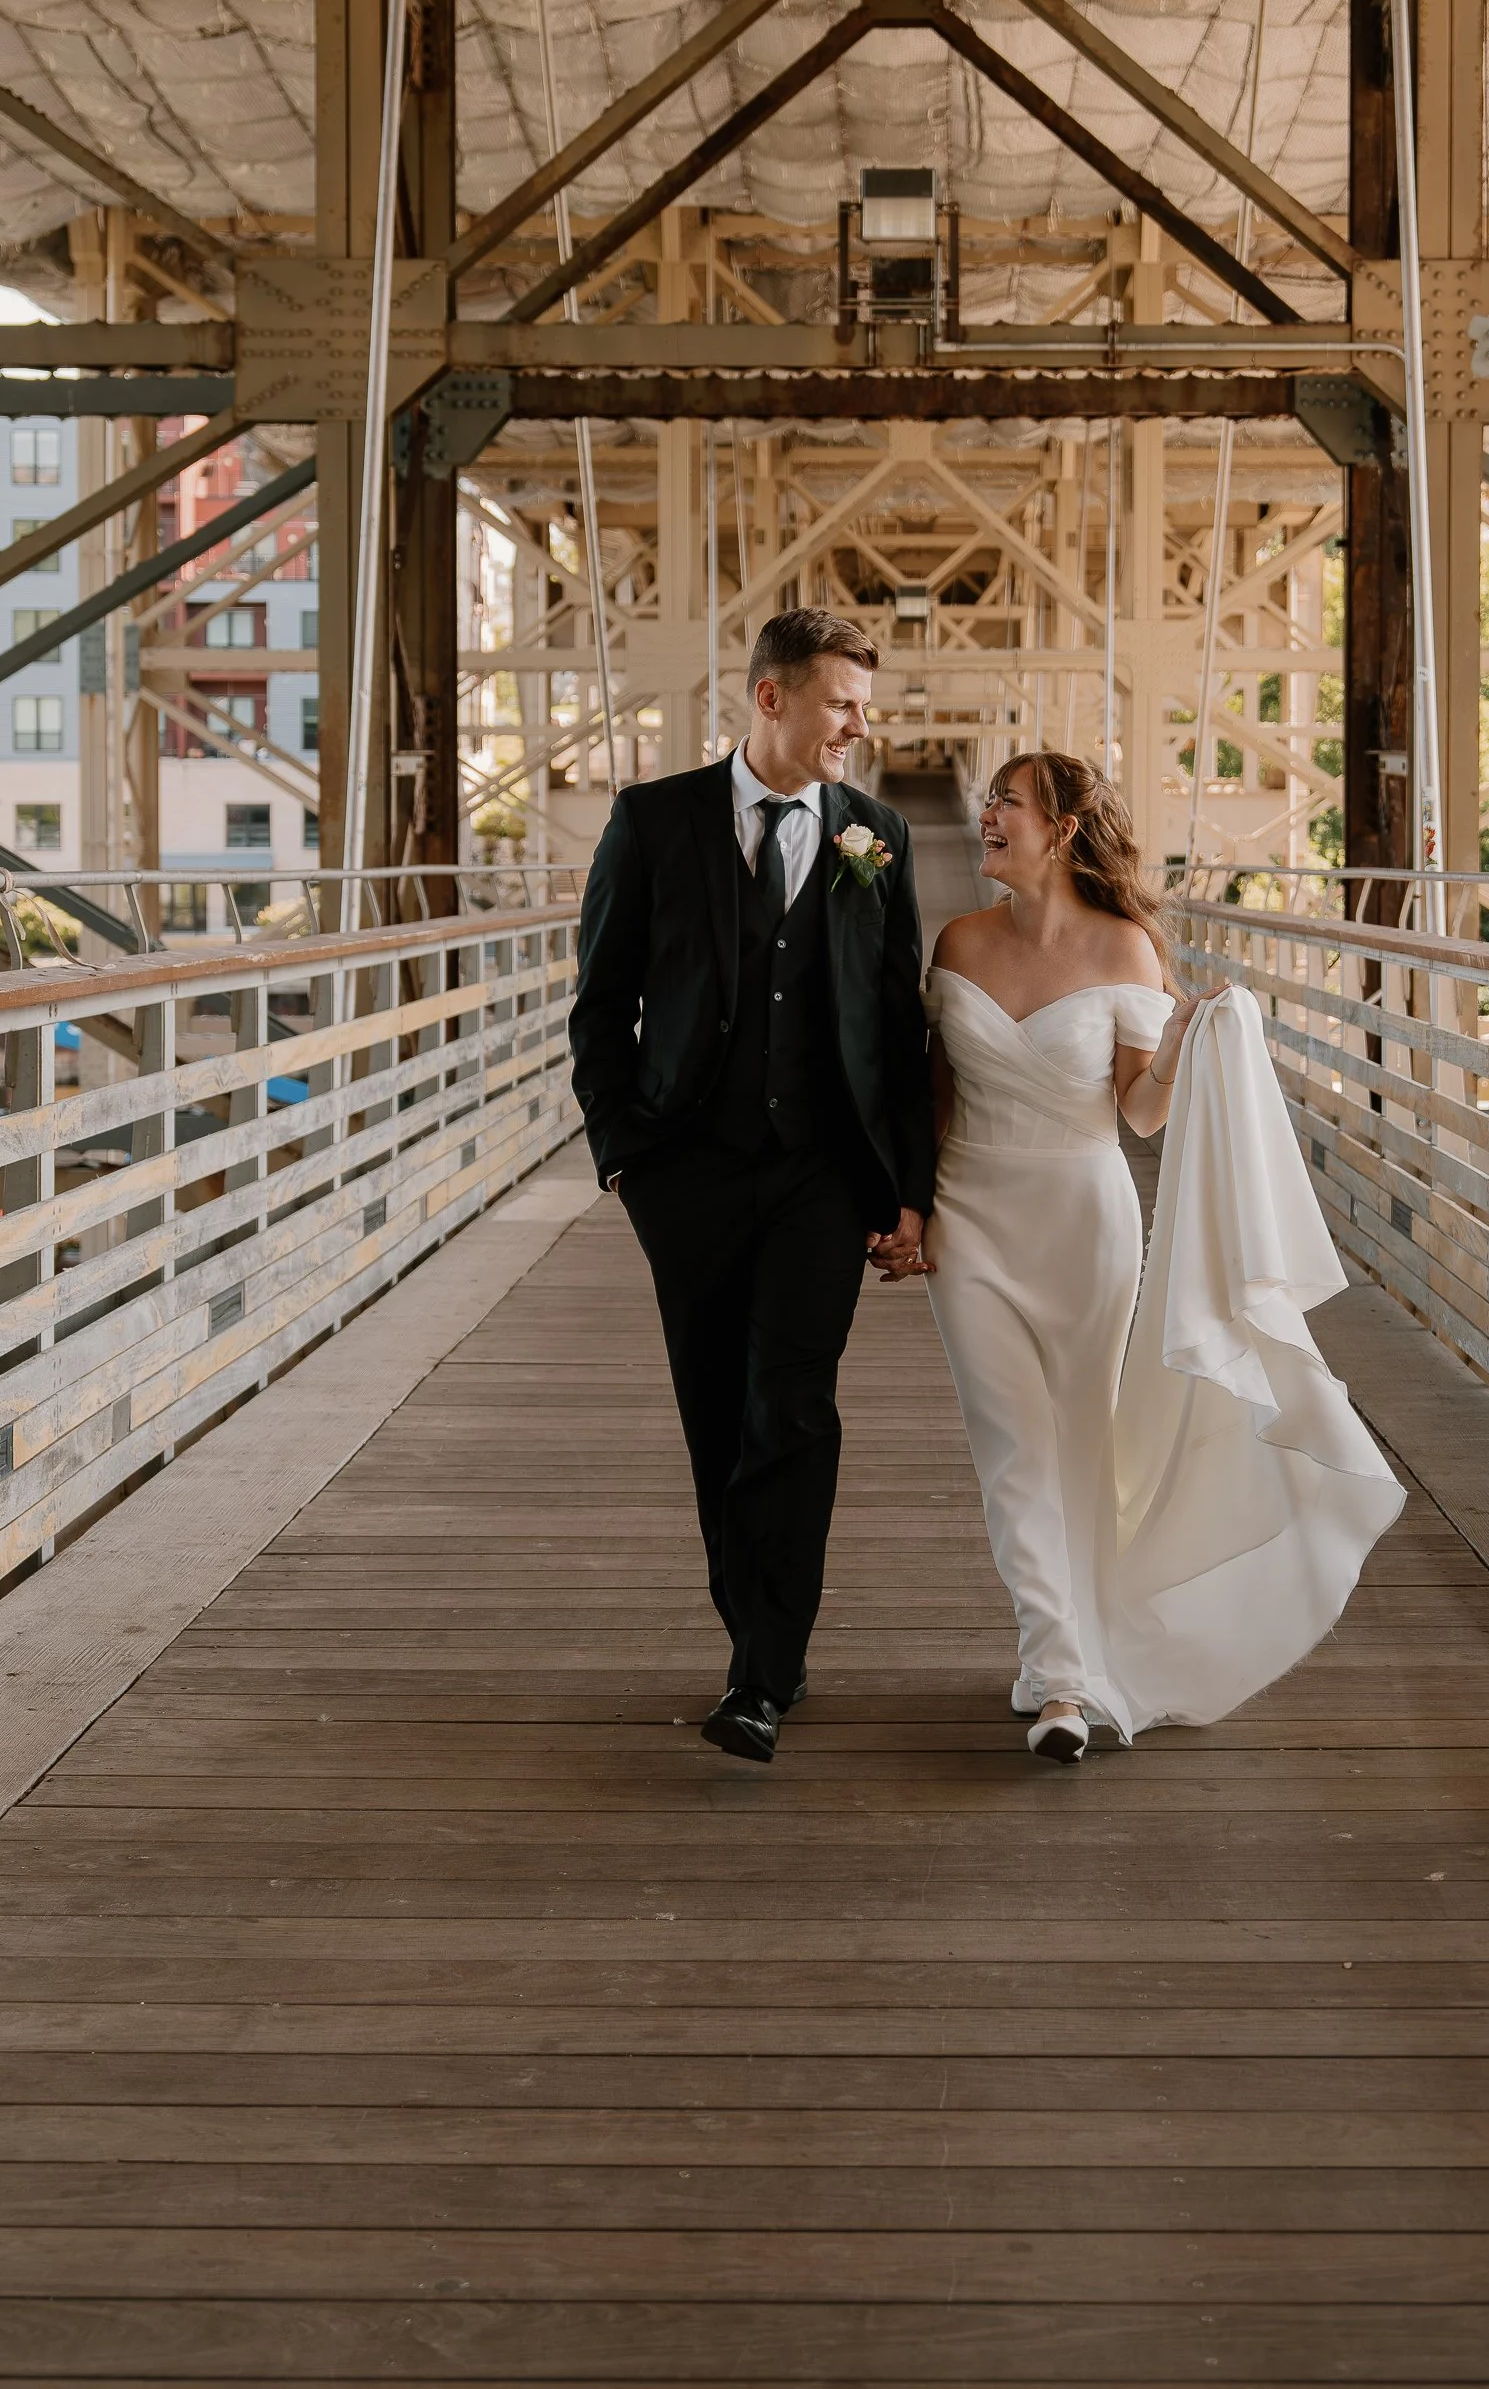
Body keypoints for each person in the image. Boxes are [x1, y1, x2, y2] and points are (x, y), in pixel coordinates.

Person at [925, 750, 1401, 1759]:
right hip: (970, 1211)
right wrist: (909, 1210)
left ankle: (1071, 1649)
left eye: (1005, 803)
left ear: (1057, 830)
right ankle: (1062, 1681)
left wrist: (1182, 1049)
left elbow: (1137, 1115)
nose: (986, 817)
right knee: (1011, 1445)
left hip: (1083, 1217)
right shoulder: (956, 944)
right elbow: (935, 1092)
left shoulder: (1128, 951)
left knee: (1082, 1445)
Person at [569, 607, 934, 1765]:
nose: (857, 730)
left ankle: (761, 1671)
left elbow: (896, 1025)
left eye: (865, 711)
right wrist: (628, 1155)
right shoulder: (653, 820)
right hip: (687, 1174)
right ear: (772, 699)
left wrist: (906, 1189)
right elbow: (598, 1004)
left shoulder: (874, 835)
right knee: (715, 1414)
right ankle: (760, 1627)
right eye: (840, 705)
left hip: (822, 1177)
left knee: (794, 1405)